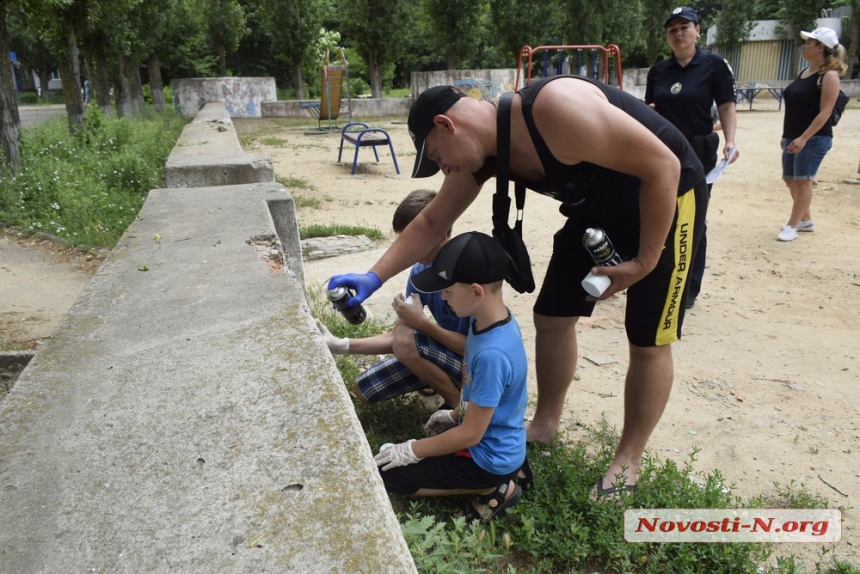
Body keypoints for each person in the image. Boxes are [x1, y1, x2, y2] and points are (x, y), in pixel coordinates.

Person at [329, 74, 708, 497]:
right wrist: (373, 277)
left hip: (667, 199)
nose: (443, 169)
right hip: (595, 214)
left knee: (648, 337)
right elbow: (433, 219)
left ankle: (629, 460)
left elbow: (664, 166)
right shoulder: (488, 151)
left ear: (446, 124)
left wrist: (645, 262)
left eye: (436, 157)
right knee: (551, 317)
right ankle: (545, 424)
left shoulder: (556, 109)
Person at [373, 231, 528, 521]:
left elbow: (471, 435)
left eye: (447, 291)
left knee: (390, 477)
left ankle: (495, 488)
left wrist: (412, 450)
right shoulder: (488, 320)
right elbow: (481, 403)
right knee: (396, 463)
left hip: (489, 459)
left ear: (476, 291)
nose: (443, 298)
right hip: (495, 441)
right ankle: (501, 473)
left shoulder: (492, 353)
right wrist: (455, 415)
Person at [317, 189, 468, 408]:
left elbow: (480, 349)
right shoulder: (418, 273)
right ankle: (437, 379)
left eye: (415, 238)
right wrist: (341, 345)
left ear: (443, 233)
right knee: (364, 389)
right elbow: (397, 336)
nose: (408, 248)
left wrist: (423, 325)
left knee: (409, 340)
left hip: (477, 366)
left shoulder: (471, 274)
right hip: (446, 354)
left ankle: (458, 405)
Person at [646, 6, 738, 309]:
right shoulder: (659, 70)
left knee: (693, 218)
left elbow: (726, 106)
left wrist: (730, 141)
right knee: (660, 214)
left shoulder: (713, 66)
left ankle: (687, 287)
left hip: (698, 152)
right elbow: (650, 109)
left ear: (698, 30)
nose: (678, 33)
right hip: (662, 152)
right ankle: (655, 276)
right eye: (672, 29)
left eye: (685, 27)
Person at [777, 27, 849, 242]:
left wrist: (804, 138)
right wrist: (787, 135)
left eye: (809, 42)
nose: (804, 46)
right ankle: (805, 219)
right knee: (790, 178)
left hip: (814, 138)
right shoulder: (804, 73)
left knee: (803, 181)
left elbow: (826, 111)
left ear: (820, 48)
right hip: (794, 136)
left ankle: (792, 226)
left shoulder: (829, 76)